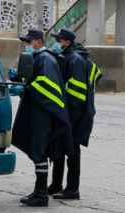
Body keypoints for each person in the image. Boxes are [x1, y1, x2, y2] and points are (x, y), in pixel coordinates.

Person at [8, 29, 74, 207]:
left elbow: (47, 86)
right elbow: (35, 80)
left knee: (39, 149)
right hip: (38, 110)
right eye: (26, 42)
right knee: (38, 149)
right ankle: (40, 191)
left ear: (39, 41)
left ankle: (41, 194)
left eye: (29, 42)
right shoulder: (39, 57)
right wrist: (20, 78)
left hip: (42, 113)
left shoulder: (46, 58)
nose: (27, 45)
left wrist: (24, 89)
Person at [48, 28, 103, 199]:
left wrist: (66, 110)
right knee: (59, 146)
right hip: (69, 111)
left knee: (72, 150)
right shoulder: (73, 56)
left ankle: (72, 189)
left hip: (74, 112)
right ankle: (56, 184)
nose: (56, 43)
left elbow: (76, 93)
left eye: (58, 41)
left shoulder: (75, 59)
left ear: (67, 43)